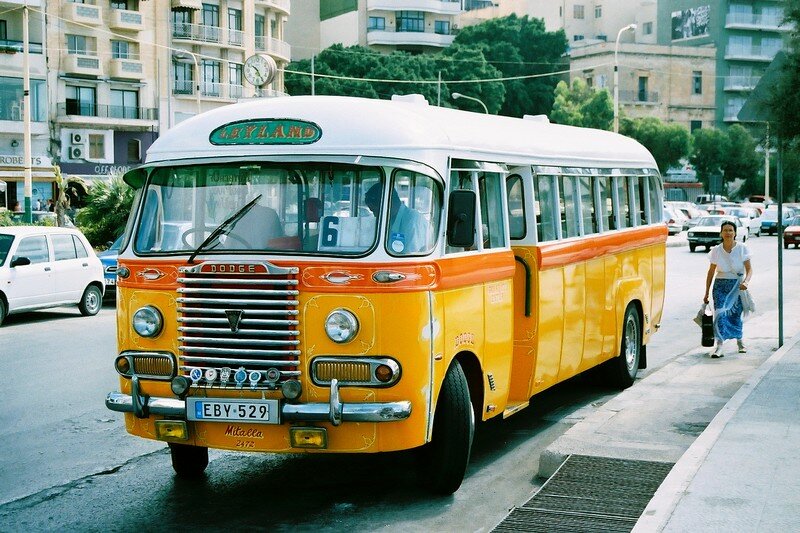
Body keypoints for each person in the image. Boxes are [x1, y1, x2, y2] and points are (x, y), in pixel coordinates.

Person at [703, 220, 752, 358]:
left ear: (735, 233)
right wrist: (706, 292)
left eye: (731, 230)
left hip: (737, 286)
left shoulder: (742, 248)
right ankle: (719, 346)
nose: (728, 233)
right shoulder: (716, 251)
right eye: (725, 230)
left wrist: (746, 282)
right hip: (720, 285)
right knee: (720, 314)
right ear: (721, 233)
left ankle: (740, 341)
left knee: (735, 314)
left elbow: (749, 269)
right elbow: (711, 272)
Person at [364, 183, 427, 254]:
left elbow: (412, 255)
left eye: (375, 210)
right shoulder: (389, 220)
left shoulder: (413, 220)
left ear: (387, 204)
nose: (375, 215)